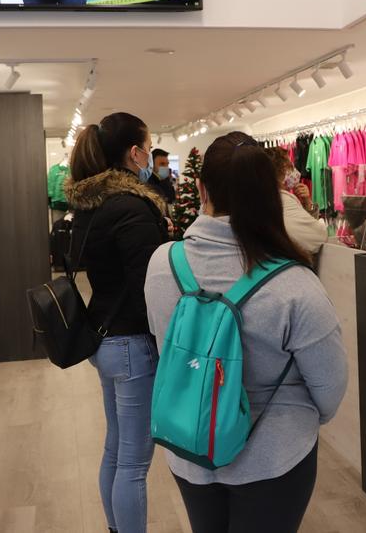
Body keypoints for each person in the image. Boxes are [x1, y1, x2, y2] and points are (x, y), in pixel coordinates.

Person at [145, 132, 347, 533]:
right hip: (274, 456)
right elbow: (330, 389)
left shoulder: (162, 264)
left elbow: (164, 344)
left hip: (188, 446)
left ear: (201, 188)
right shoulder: (295, 284)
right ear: (273, 195)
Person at [65, 112, 168, 533]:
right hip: (130, 344)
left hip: (104, 337)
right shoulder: (131, 207)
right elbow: (151, 283)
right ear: (134, 152)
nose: (150, 155)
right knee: (133, 461)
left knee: (116, 448)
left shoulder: (93, 204)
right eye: (148, 146)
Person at [265, 147, 327, 254]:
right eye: (291, 165)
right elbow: (316, 236)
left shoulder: (268, 197)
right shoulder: (283, 200)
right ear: (284, 169)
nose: (294, 170)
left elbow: (301, 224)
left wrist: (307, 201)